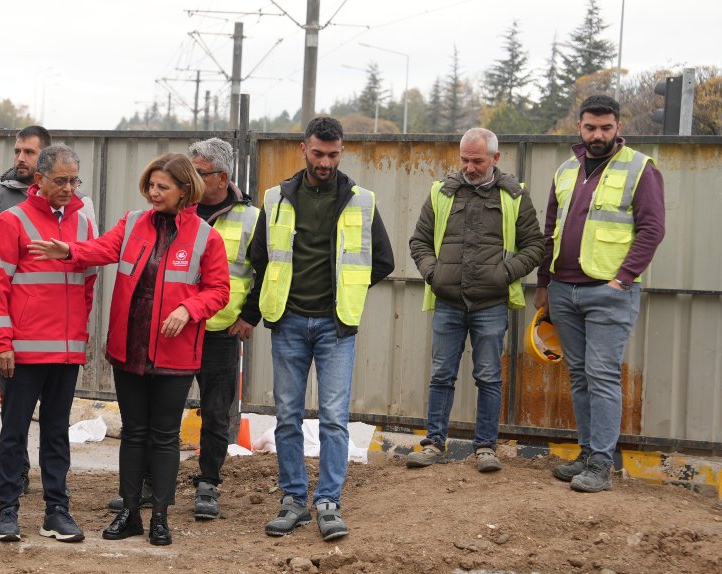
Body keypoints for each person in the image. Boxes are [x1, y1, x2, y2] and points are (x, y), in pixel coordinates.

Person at [30, 153, 230, 546]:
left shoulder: (207, 236)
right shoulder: (133, 223)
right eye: (151, 186)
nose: (154, 193)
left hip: (174, 354)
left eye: (163, 187)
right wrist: (68, 251)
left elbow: (219, 290)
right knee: (134, 434)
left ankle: (160, 517)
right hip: (129, 350)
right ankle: (130, 512)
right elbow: (102, 249)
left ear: (185, 190)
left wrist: (188, 309)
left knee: (164, 436)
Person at [238, 116, 394, 542]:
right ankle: (292, 500)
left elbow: (383, 261)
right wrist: (262, 308)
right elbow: (261, 258)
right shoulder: (277, 199)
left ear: (342, 152)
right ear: (303, 150)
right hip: (287, 322)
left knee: (334, 419)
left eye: (333, 154)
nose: (325, 162)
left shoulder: (361, 201)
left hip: (335, 326)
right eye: (318, 153)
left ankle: (328, 502)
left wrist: (350, 294)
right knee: (287, 416)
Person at [102, 138, 261, 520]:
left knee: (216, 411)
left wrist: (249, 317)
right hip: (166, 336)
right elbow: (107, 250)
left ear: (221, 178)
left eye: (199, 172)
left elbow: (263, 271)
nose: (191, 176)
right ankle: (146, 487)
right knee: (154, 420)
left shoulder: (248, 218)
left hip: (219, 331)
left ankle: (208, 483)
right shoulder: (150, 219)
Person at [534, 95, 665, 493]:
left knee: (602, 375)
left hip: (608, 291)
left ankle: (602, 465)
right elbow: (550, 229)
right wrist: (543, 283)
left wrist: (623, 278)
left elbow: (652, 229)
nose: (598, 135)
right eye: (590, 127)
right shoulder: (566, 170)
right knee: (579, 375)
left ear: (618, 127)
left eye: (606, 127)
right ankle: (587, 454)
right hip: (563, 288)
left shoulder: (640, 168)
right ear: (579, 127)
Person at [407, 128, 545, 472]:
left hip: (491, 304)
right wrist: (434, 274)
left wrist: (503, 273)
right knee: (441, 375)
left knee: (488, 376)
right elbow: (419, 241)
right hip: (447, 301)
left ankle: (485, 448)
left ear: (495, 159)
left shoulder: (514, 196)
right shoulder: (442, 193)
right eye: (464, 160)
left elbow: (536, 246)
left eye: (477, 161)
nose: (468, 167)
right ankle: (434, 444)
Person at [0, 125, 95, 496]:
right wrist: (2, 343)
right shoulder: (11, 219)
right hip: (22, 351)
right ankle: (7, 509)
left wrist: (77, 339)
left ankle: (57, 509)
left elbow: (87, 284)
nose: (69, 188)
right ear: (40, 180)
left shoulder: (83, 221)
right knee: (14, 431)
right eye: (61, 180)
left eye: (74, 180)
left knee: (57, 434)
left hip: (65, 352)